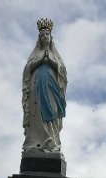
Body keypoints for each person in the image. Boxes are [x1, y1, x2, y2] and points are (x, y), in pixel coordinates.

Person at [22, 18, 68, 154]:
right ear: (39, 39)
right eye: (42, 35)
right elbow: (27, 70)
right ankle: (38, 142)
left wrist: (51, 61)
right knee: (38, 113)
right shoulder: (36, 54)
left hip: (51, 88)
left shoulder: (55, 55)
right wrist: (41, 60)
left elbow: (63, 73)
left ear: (51, 37)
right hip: (37, 88)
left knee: (52, 111)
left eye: (47, 34)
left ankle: (52, 142)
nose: (45, 37)